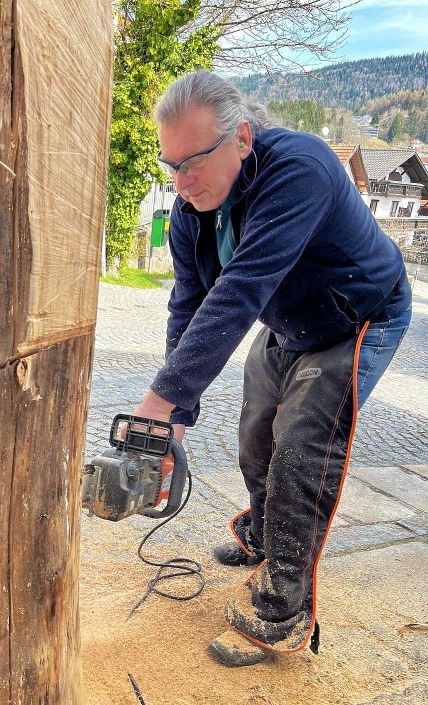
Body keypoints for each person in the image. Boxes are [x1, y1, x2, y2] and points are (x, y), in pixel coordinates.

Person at [133, 70, 412, 668]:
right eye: (171, 164)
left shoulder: (301, 167)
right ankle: (261, 532)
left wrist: (155, 402)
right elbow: (191, 300)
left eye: (194, 161)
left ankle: (282, 611)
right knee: (256, 432)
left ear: (240, 137)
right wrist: (174, 417)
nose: (182, 182)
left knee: (303, 448)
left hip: (355, 315)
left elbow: (239, 290)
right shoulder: (192, 210)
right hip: (289, 320)